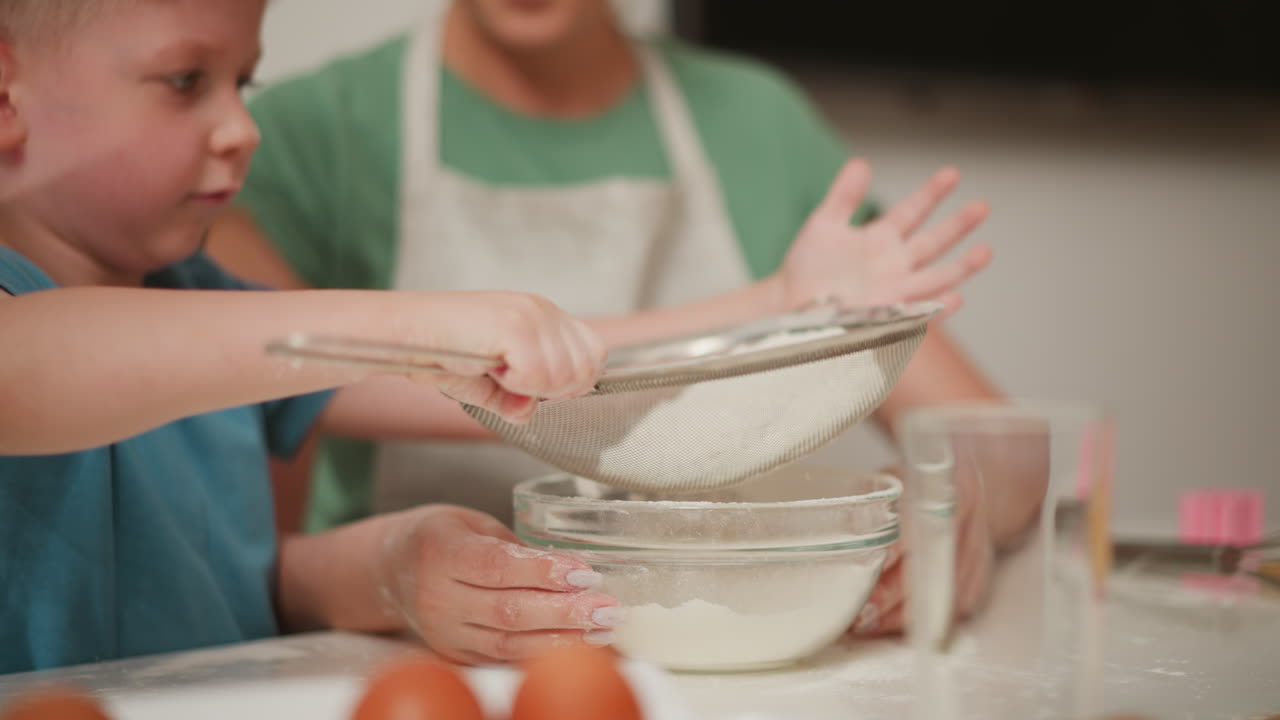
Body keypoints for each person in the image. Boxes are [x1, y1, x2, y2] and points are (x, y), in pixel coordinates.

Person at [0, 0, 985, 672]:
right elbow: (33, 366)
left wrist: (775, 299)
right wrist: (408, 316)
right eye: (184, 82)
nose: (241, 129)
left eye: (241, 85)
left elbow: (552, 370)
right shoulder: (137, 326)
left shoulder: (205, 296)